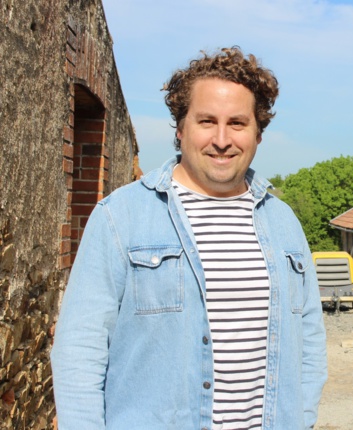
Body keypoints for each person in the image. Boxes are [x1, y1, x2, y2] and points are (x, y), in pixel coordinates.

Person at [51, 46, 328, 430]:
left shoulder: (284, 224)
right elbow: (78, 352)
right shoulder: (120, 218)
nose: (221, 139)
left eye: (237, 123)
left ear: (258, 134)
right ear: (180, 130)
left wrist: (303, 419)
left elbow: (310, 342)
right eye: (206, 121)